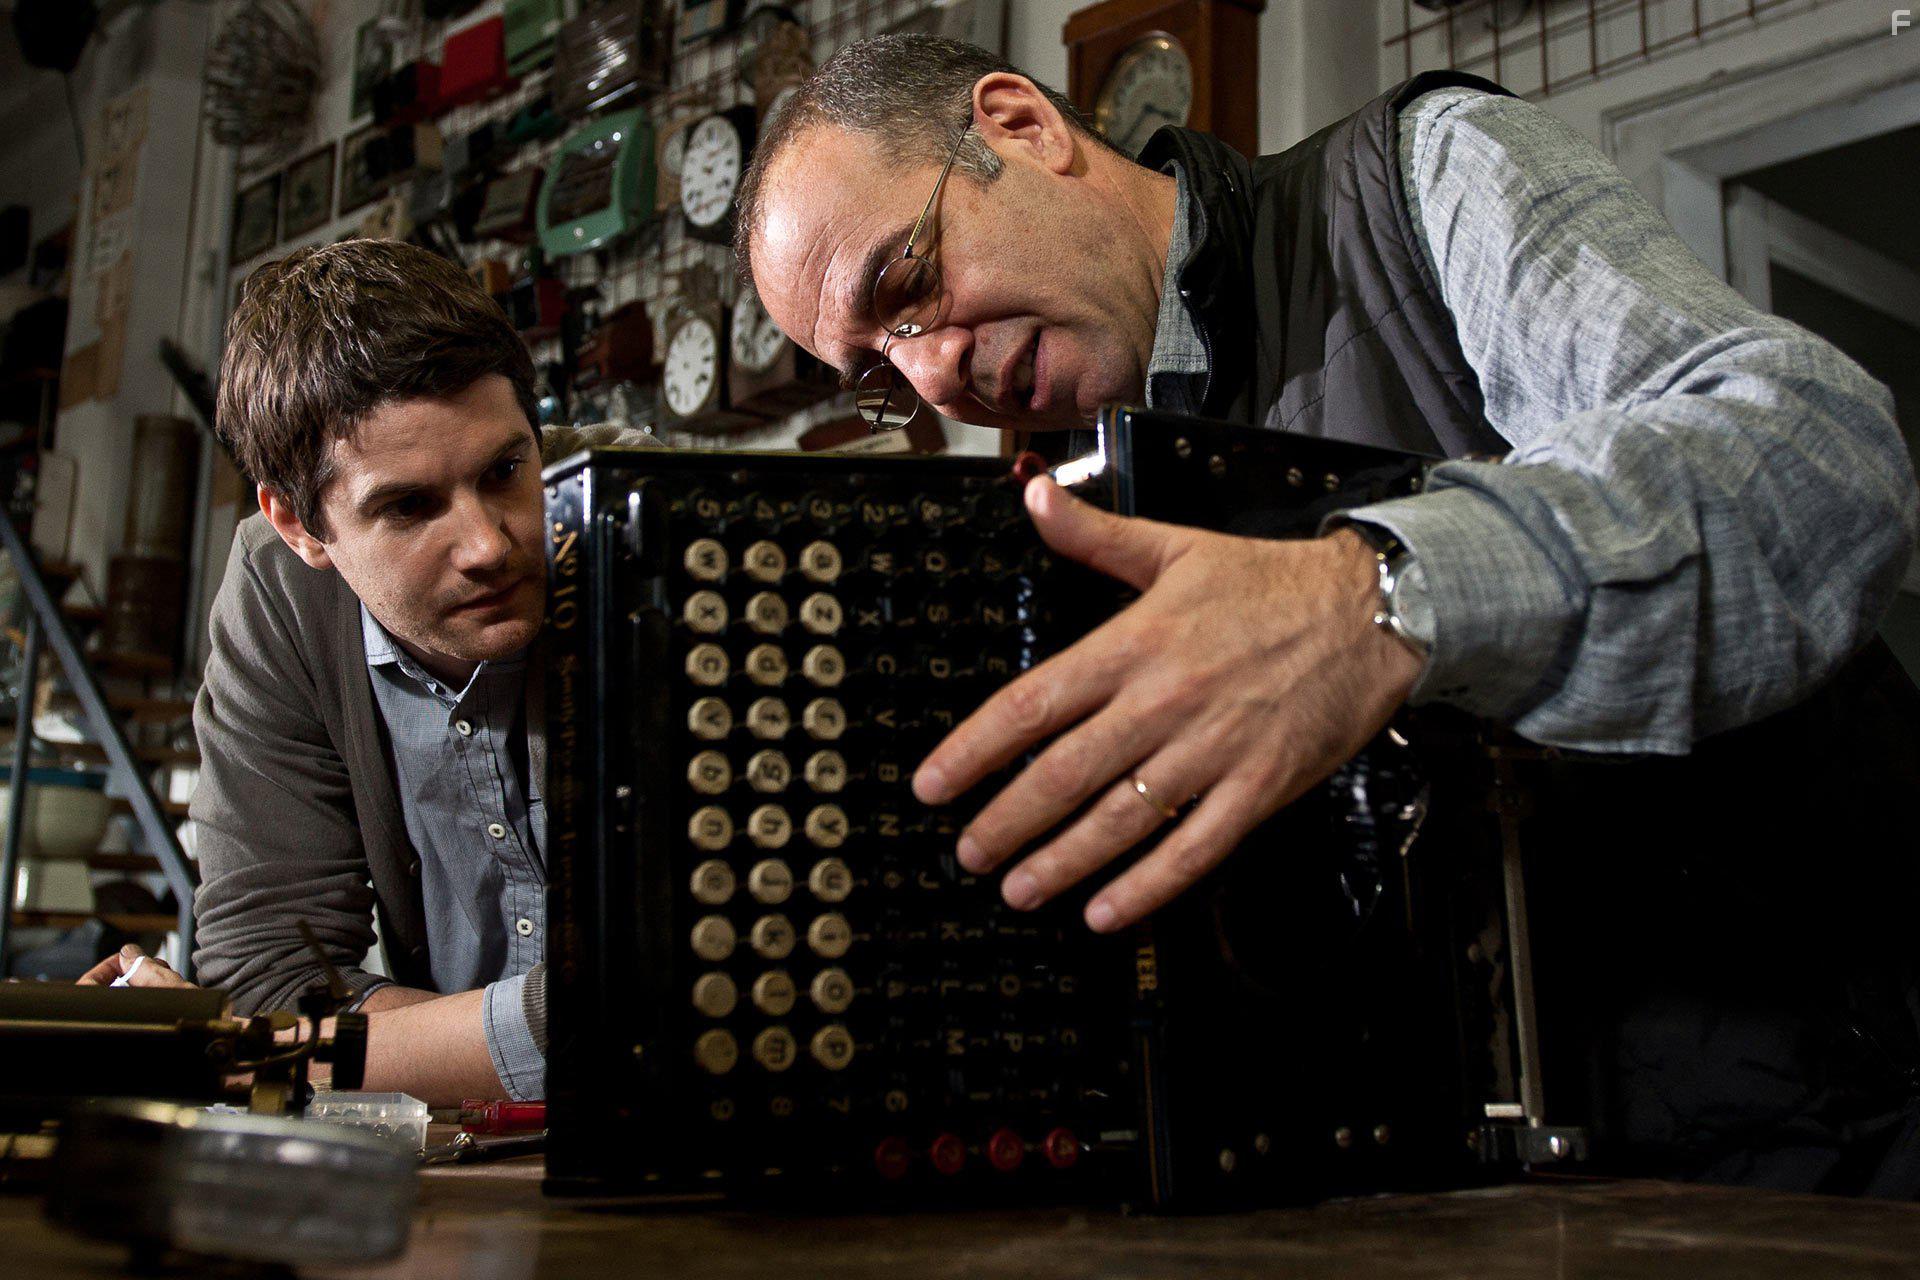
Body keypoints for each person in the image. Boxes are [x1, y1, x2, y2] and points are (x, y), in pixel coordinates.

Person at [736, 36, 1920, 1189]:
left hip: (1837, 1141)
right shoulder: (1064, 512)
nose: (933, 375)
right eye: (882, 374)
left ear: (1022, 126)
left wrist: (1380, 597)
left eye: (905, 283)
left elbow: (1820, 459)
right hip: (1481, 1208)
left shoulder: (1416, 184)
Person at [79, 240, 652, 1106]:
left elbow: (684, 987)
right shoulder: (279, 599)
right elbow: (269, 972)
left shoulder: (648, 523)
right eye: (409, 506)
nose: (490, 545)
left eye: (506, 470)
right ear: (301, 527)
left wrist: (265, 1053)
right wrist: (273, 1037)